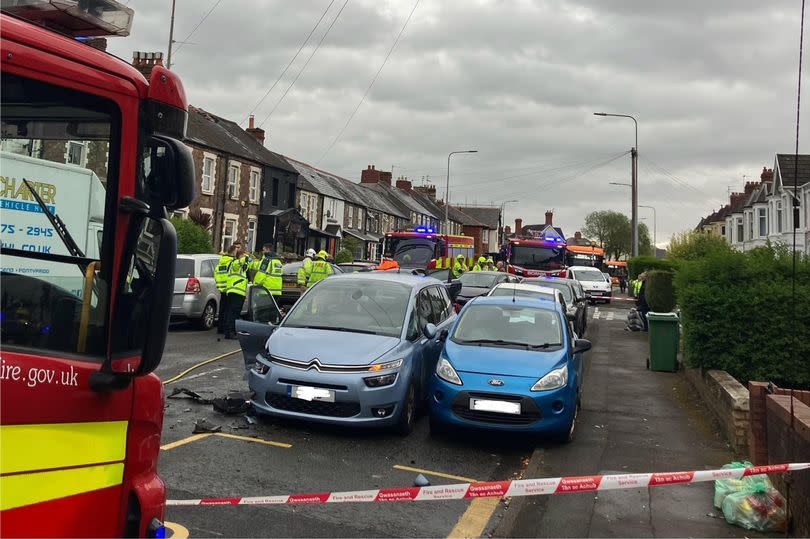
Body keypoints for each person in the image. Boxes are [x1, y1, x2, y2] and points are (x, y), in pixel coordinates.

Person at [224, 243, 249, 339]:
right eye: (242, 256)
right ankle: (230, 332)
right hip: (236, 292)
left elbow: (247, 265)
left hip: (237, 292)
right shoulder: (235, 263)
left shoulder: (240, 265)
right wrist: (244, 258)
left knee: (233, 313)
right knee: (233, 314)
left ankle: (230, 331)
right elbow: (239, 264)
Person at [214, 245, 236, 334]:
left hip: (222, 289)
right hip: (229, 288)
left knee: (222, 309)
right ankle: (226, 328)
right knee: (228, 310)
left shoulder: (221, 262)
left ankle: (220, 328)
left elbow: (216, 273)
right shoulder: (232, 262)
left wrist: (219, 284)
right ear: (233, 252)